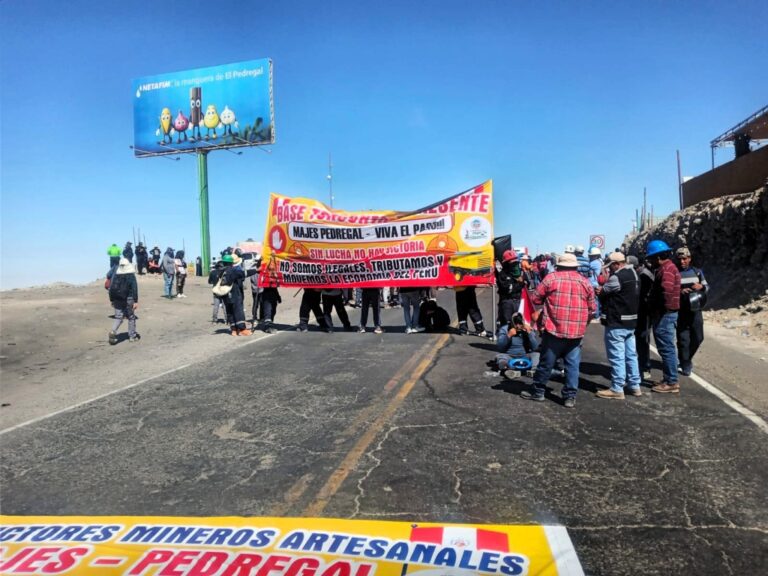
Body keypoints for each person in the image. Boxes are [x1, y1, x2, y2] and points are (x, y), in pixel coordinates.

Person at [521, 253, 595, 408]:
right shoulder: (585, 282)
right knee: (572, 365)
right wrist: (583, 324)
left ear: (558, 265)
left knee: (546, 362)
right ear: (575, 266)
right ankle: (569, 397)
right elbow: (592, 309)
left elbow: (535, 299)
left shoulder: (551, 279)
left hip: (553, 329)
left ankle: (538, 392)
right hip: (576, 332)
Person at [595, 252, 642, 399]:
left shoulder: (617, 278)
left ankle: (617, 388)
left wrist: (600, 291)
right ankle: (635, 385)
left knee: (617, 356)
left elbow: (604, 292)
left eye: (611, 266)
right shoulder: (634, 274)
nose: (610, 269)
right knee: (631, 355)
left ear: (616, 264)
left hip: (616, 322)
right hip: (631, 320)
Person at [646, 239, 681, 393]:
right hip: (666, 314)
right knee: (666, 348)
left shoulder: (666, 270)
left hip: (665, 315)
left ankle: (672, 381)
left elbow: (665, 293)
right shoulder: (668, 268)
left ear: (658, 257)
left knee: (666, 348)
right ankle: (668, 378)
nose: (650, 261)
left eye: (651, 258)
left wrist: (657, 308)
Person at [676, 247, 708, 376]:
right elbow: (668, 290)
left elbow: (707, 287)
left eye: (684, 259)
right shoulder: (674, 273)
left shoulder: (697, 272)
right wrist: (679, 292)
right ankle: (685, 362)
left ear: (689, 259)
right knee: (683, 339)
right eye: (680, 259)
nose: (682, 262)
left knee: (698, 337)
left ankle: (686, 358)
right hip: (681, 311)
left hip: (696, 311)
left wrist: (702, 287)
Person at [221, 253, 257, 336]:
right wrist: (256, 270)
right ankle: (242, 329)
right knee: (238, 311)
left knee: (229, 311)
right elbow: (244, 273)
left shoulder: (221, 271)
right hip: (234, 293)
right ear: (231, 263)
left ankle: (233, 330)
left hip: (225, 295)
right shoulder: (232, 270)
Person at [495, 312, 541, 376]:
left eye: (520, 324)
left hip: (524, 356)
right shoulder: (504, 329)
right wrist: (508, 336)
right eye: (516, 324)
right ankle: (506, 370)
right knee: (500, 357)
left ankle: (533, 370)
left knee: (536, 354)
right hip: (509, 356)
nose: (518, 326)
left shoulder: (527, 329)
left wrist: (530, 334)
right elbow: (500, 347)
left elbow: (535, 348)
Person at [108, 258, 140, 344]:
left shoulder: (117, 275)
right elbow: (134, 288)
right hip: (129, 299)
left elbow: (111, 288)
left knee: (118, 317)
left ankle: (113, 331)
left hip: (117, 299)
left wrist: (112, 300)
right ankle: (132, 336)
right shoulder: (131, 275)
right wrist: (136, 301)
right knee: (131, 317)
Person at [495, 250, 525, 330]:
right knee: (505, 325)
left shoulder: (520, 272)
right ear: (506, 263)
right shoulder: (502, 274)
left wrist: (521, 282)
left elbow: (526, 283)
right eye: (512, 263)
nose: (515, 265)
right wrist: (520, 284)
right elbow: (508, 289)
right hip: (507, 302)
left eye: (516, 262)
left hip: (518, 301)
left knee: (519, 325)